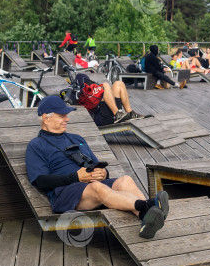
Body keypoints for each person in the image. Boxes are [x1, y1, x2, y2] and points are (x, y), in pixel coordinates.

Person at [26, 96, 170, 239]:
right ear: (46, 118)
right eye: (62, 116)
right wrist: (75, 177)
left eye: (67, 115)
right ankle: (149, 205)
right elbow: (40, 181)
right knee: (97, 187)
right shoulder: (36, 145)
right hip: (65, 193)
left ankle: (146, 220)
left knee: (126, 180)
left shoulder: (76, 138)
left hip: (91, 184)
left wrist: (103, 172)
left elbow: (96, 163)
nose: (67, 119)